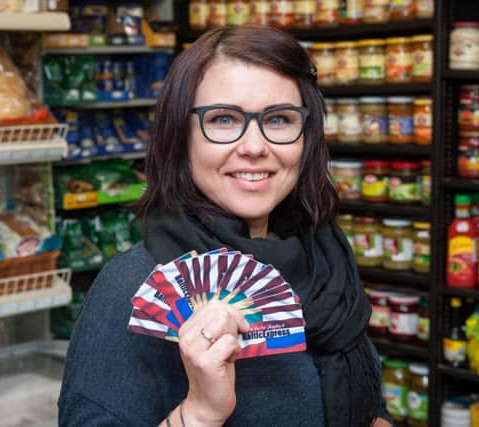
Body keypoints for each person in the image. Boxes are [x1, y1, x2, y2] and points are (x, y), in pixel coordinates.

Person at [59, 25, 392, 427]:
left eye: (280, 119)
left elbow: (370, 408)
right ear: (181, 137)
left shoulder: (325, 258)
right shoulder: (131, 287)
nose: (254, 147)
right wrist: (200, 413)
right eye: (222, 119)